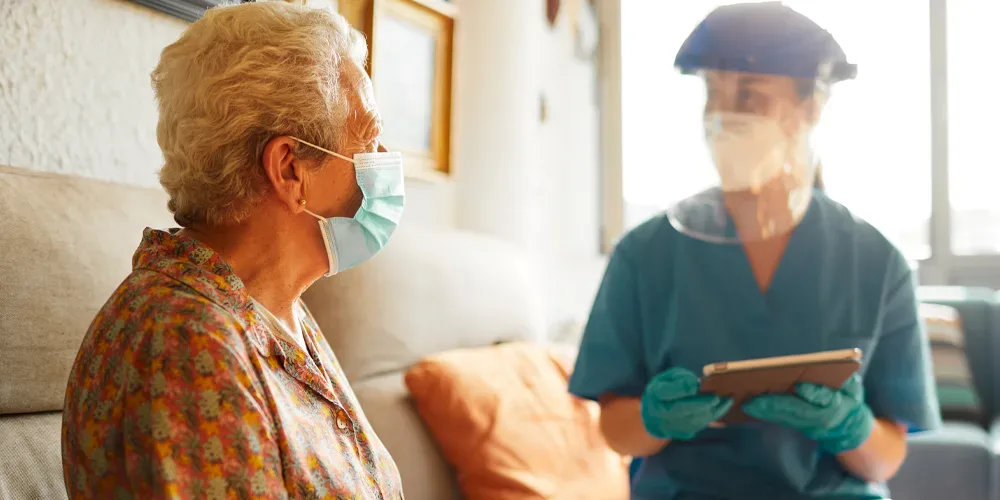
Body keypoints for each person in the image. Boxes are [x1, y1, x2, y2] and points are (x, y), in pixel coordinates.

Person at [569, 2, 940, 499]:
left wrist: (847, 426)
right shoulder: (646, 253)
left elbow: (885, 457)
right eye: (712, 93)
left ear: (811, 108)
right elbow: (615, 429)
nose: (723, 116)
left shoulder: (876, 261)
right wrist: (655, 419)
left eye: (750, 95)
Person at [61, 2, 405, 498]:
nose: (382, 161)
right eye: (368, 139)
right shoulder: (184, 345)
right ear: (289, 169)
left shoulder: (273, 307)